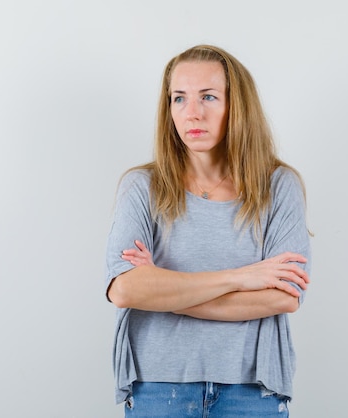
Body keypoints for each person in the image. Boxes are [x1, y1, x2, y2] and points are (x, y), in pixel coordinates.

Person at [104, 44, 312, 417]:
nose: (192, 112)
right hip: (158, 385)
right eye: (179, 98)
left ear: (238, 106)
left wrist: (164, 290)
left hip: (252, 388)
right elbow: (124, 289)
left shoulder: (279, 186)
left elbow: (284, 296)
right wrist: (244, 277)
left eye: (209, 97)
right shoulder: (142, 186)